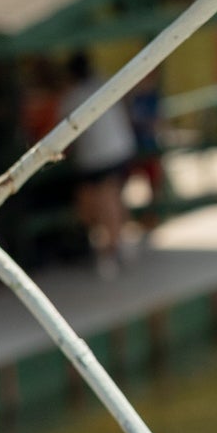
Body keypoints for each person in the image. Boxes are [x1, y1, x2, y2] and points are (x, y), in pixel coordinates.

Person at [59, 50, 138, 274]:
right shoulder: (103, 83)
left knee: (107, 202)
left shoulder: (73, 96)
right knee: (106, 201)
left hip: (101, 156)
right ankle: (118, 245)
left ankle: (111, 251)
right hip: (115, 150)